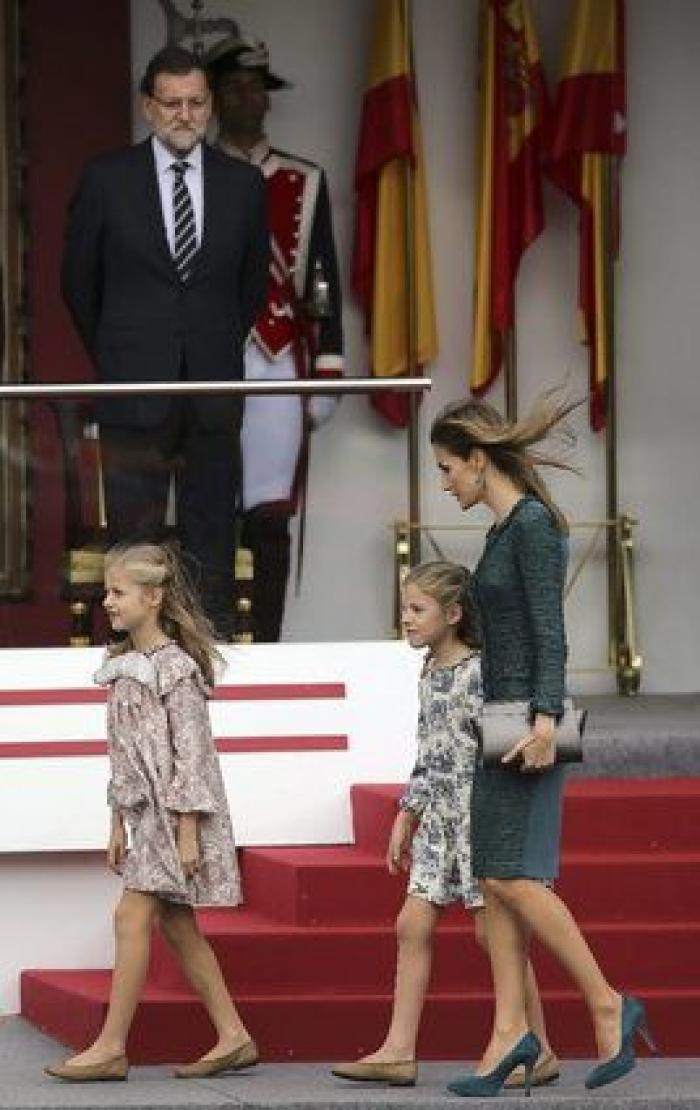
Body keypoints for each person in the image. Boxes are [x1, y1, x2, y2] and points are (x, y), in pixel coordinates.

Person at [430, 392, 655, 1096]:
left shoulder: (529, 527)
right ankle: (511, 1036)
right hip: (501, 716)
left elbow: (550, 630)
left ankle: (607, 1002)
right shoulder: (503, 531)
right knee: (494, 882)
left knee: (512, 877)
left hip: (529, 721)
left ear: (477, 458)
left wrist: (547, 719)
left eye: (447, 468)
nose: (444, 482)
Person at [61, 46, 269, 640]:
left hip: (212, 383)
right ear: (148, 108)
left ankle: (209, 654)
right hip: (134, 383)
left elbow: (248, 288)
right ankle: (134, 652)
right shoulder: (106, 178)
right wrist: (122, 353)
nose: (185, 114)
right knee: (135, 532)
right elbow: (78, 285)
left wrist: (210, 339)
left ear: (209, 106)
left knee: (211, 530)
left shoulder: (243, 184)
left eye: (196, 102)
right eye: (171, 103)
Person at [331, 561, 558, 1089]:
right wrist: (407, 812)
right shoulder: (429, 671)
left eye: (417, 609)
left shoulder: (483, 672)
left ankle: (541, 1047)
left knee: (493, 935)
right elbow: (428, 751)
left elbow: (506, 746)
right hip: (439, 820)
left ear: (453, 614)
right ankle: (397, 1050)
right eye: (404, 608)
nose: (406, 619)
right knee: (412, 923)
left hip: (480, 816)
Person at [45, 543, 257, 1082]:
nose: (107, 603)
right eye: (107, 593)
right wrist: (117, 820)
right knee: (179, 926)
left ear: (153, 597)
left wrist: (188, 832)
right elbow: (122, 750)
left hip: (175, 818)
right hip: (144, 820)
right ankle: (234, 1036)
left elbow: (192, 753)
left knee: (130, 916)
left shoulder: (177, 670)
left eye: (118, 593)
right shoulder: (120, 667)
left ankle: (112, 1045)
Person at [207, 36, 344, 642]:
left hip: (278, 352)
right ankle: (207, 637)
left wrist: (329, 370)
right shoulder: (195, 174)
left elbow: (322, 276)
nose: (249, 97)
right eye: (236, 86)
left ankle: (267, 642)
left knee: (269, 508)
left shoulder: (302, 179)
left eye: (257, 87)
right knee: (207, 501)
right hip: (211, 351)